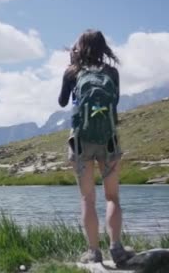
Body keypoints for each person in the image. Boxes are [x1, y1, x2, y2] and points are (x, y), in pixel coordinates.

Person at [58, 30, 135, 266]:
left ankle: (93, 253)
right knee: (112, 197)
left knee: (87, 199)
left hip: (81, 141)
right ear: (104, 48)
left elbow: (62, 101)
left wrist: (73, 65)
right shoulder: (112, 72)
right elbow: (116, 101)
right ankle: (117, 249)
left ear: (80, 47)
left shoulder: (73, 72)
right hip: (109, 140)